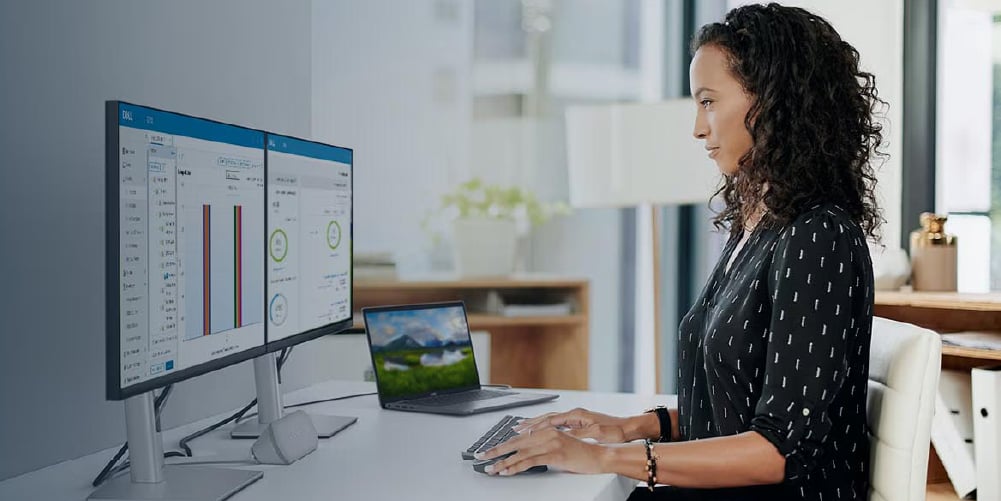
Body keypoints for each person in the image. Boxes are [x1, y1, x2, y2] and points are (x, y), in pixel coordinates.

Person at [475, 3, 885, 500]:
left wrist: (603, 458)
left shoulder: (818, 237)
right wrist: (627, 428)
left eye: (709, 101)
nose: (697, 127)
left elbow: (780, 449)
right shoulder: (758, 230)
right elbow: (731, 410)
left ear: (776, 103)